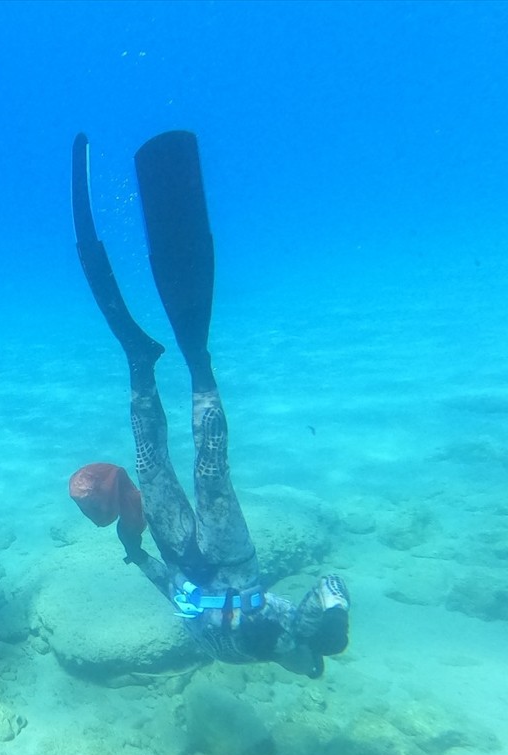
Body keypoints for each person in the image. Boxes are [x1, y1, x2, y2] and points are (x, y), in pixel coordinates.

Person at [69, 131, 349, 679]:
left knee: (151, 463)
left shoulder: (226, 652)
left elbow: (174, 593)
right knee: (211, 473)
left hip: (177, 555)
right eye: (308, 665)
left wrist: (137, 555)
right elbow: (329, 588)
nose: (304, 668)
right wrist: (332, 622)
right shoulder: (293, 634)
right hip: (231, 560)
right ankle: (198, 363)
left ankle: (140, 361)